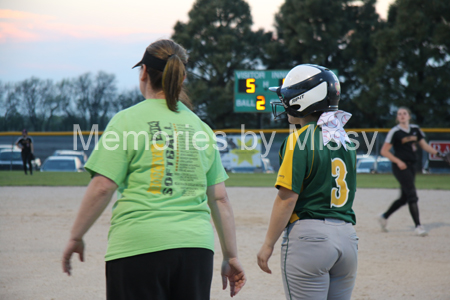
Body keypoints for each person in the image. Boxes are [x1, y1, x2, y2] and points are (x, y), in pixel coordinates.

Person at [62, 39, 246, 299]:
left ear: (144, 72)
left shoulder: (126, 120)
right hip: (196, 250)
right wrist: (231, 255)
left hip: (138, 247)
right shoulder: (201, 128)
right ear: (181, 78)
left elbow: (103, 186)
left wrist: (75, 236)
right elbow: (220, 198)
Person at [257, 64, 358, 300]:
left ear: (303, 99)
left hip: (310, 239)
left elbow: (286, 199)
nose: (283, 102)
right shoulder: (346, 140)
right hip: (347, 238)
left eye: (287, 96)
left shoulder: (299, 139)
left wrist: (268, 244)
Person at [378, 107, 440, 236]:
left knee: (404, 198)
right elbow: (384, 151)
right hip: (400, 167)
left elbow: (424, 145)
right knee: (412, 194)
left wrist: (439, 154)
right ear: (397, 118)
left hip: (411, 166)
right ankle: (418, 226)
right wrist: (398, 161)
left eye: (404, 113)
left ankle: (384, 216)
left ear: (409, 116)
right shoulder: (395, 132)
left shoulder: (415, 129)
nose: (402, 116)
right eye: (399, 114)